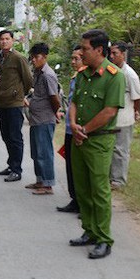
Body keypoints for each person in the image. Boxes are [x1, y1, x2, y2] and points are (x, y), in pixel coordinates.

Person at [69, 29, 125, 259]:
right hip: (79, 139)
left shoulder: (114, 76)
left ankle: (104, 238)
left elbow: (110, 111)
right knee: (82, 188)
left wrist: (84, 130)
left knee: (99, 190)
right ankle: (89, 231)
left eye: (85, 48)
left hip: (99, 140)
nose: (81, 52)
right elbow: (74, 102)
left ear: (99, 50)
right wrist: (73, 124)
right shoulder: (82, 74)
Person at [0, 30, 33, 182]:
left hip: (14, 103)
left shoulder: (18, 58)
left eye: (7, 39)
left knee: (15, 137)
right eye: (1, 39)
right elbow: (1, 77)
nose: (4, 41)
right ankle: (11, 165)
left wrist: (21, 94)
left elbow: (28, 79)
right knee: (6, 135)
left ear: (12, 41)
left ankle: (17, 170)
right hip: (1, 101)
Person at [24, 43, 62, 195]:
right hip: (36, 118)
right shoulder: (38, 73)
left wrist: (55, 113)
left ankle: (47, 184)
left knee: (44, 152)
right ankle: (40, 180)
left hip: (45, 119)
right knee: (36, 152)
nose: (33, 60)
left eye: (36, 57)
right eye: (32, 57)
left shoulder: (48, 75)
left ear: (44, 57)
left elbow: (54, 98)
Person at [109, 42, 140, 189]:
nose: (111, 56)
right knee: (111, 148)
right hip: (111, 118)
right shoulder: (111, 71)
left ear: (123, 55)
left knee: (121, 149)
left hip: (124, 118)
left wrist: (134, 111)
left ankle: (118, 180)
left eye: (115, 53)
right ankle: (110, 177)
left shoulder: (130, 75)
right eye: (110, 53)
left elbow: (137, 98)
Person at [57, 46, 84, 213]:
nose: (73, 62)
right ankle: (74, 199)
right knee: (70, 168)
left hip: (79, 129)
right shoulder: (76, 77)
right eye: (72, 58)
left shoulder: (88, 78)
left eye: (77, 58)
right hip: (69, 128)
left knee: (80, 170)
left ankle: (83, 204)